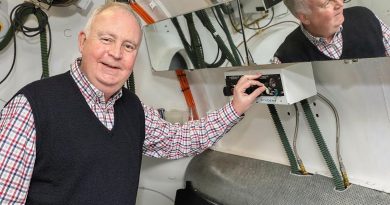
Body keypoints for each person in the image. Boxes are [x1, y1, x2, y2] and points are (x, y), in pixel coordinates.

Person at [0, 2, 266, 205]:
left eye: (128, 46)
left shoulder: (133, 109)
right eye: (106, 39)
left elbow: (179, 139)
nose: (116, 54)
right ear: (83, 42)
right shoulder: (30, 108)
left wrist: (235, 108)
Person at [273, 0, 390, 63]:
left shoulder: (365, 17)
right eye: (327, 2)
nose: (339, 3)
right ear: (304, 17)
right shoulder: (286, 58)